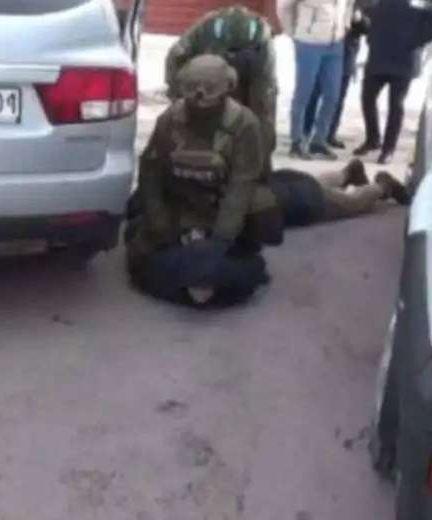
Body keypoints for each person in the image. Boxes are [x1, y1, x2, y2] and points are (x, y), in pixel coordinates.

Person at [127, 55, 281, 308]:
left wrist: (221, 239)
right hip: (181, 204)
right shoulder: (170, 120)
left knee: (262, 205)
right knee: (142, 252)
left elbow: (241, 187)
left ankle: (246, 250)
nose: (199, 97)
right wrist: (160, 222)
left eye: (208, 89)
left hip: (221, 207)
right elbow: (150, 175)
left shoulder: (243, 125)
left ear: (226, 88)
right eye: (192, 88)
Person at [164, 6, 278, 173]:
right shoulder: (204, 30)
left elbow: (265, 95)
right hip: (207, 75)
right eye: (230, 53)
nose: (234, 57)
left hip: (251, 80)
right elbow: (175, 58)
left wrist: (264, 149)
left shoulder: (262, 40)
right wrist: (179, 94)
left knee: (256, 127)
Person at [354, 0, 432, 164]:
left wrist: (416, 40)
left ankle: (388, 149)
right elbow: (369, 10)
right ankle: (372, 139)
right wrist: (370, 33)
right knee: (367, 98)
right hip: (379, 55)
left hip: (405, 59)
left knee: (396, 105)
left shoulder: (421, 3)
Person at [278, 0, 352, 160]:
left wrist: (345, 24)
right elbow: (283, 6)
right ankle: (296, 142)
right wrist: (292, 32)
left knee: (333, 94)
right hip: (309, 43)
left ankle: (319, 140)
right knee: (304, 93)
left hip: (335, 43)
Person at [301, 2, 369, 149]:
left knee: (336, 98)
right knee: (314, 92)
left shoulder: (361, 3)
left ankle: (328, 134)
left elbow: (369, 27)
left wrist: (360, 19)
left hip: (346, 54)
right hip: (321, 49)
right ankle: (305, 131)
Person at [268, 158, 411, 227]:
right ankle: (348, 173)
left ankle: (384, 186)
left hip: (304, 203)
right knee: (316, 184)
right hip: (289, 182)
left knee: (353, 203)